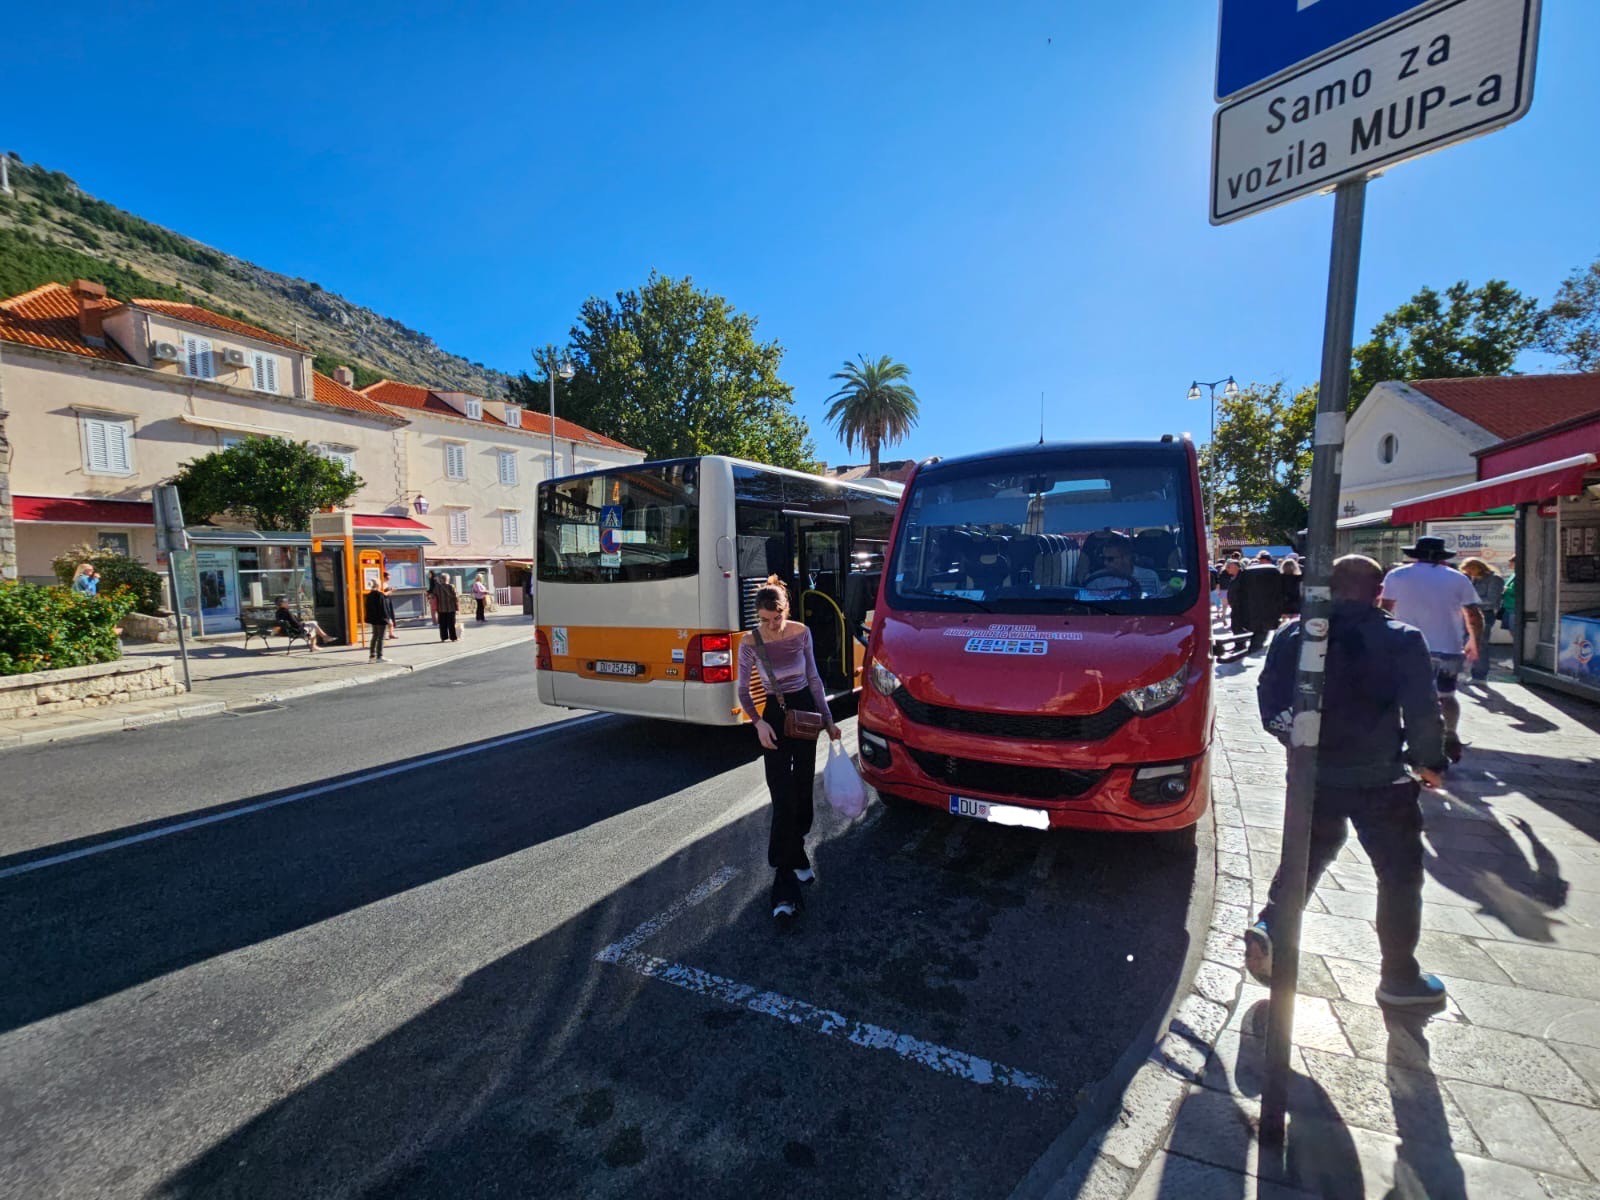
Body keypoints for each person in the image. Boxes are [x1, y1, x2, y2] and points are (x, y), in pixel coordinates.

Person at [1246, 554, 1451, 1008]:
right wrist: (1429, 761)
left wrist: (1300, 747)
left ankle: (1270, 930)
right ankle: (1399, 977)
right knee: (1398, 876)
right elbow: (1422, 711)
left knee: (1304, 860)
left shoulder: (1294, 633)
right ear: (1379, 592)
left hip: (1314, 777)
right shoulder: (1400, 638)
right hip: (1381, 778)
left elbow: (1269, 702)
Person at [736, 577, 842, 925]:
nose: (771, 625)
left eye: (776, 617)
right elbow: (742, 691)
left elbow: (813, 678)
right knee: (782, 799)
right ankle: (784, 891)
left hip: (806, 714)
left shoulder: (801, 632)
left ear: (786, 610)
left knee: (801, 796)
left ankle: (797, 856)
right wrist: (758, 723)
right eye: (764, 619)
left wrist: (828, 720)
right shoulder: (751, 642)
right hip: (774, 717)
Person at [1379, 536, 1483, 762]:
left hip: (1404, 646)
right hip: (1447, 646)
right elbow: (1473, 614)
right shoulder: (1458, 578)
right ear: (1442, 556)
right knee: (1446, 695)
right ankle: (1450, 734)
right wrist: (1474, 641)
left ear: (1415, 554)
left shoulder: (1397, 576)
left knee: (1403, 696)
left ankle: (1408, 740)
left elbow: (1385, 611)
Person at [1229, 550, 1286, 652]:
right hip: (1265, 608)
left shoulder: (1246, 575)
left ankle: (1247, 646)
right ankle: (1252, 646)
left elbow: (1236, 592)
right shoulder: (1273, 573)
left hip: (1252, 608)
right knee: (1261, 630)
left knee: (1256, 629)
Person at [1459, 557, 1505, 682]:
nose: (1469, 573)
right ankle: (1469, 671)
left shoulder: (1494, 579)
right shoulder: (1471, 579)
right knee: (1466, 643)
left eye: (1471, 570)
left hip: (1484, 614)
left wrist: (1471, 603)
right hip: (1468, 614)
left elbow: (1492, 600)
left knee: (1481, 644)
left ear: (1478, 567)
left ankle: (1480, 675)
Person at [364, 579, 395, 662]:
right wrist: (388, 619)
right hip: (381, 619)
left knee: (374, 636)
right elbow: (383, 608)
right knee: (381, 638)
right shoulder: (380, 595)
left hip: (374, 619)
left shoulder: (369, 595)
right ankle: (379, 656)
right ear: (378, 585)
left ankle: (372, 656)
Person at [430, 572, 460, 641]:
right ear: (448, 579)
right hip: (451, 608)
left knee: (442, 624)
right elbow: (455, 597)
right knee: (451, 624)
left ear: (441, 579)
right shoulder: (451, 586)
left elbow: (433, 595)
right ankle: (453, 638)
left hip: (441, 609)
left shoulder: (437, 587)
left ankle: (443, 638)